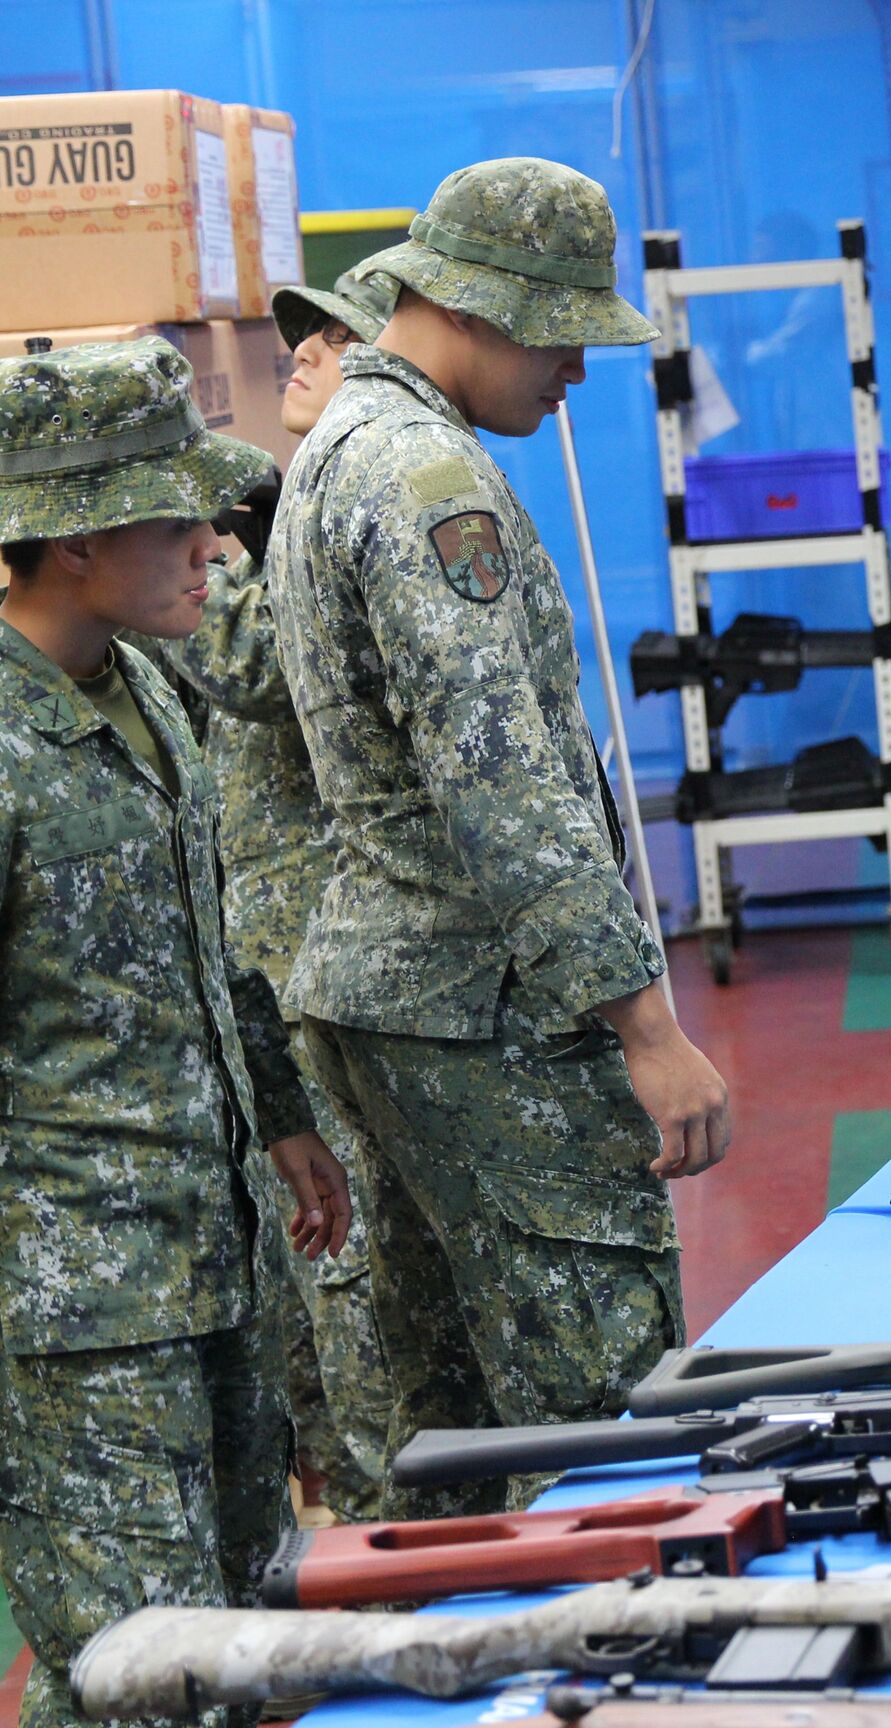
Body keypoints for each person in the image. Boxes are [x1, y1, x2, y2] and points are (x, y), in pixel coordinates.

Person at [267, 158, 732, 1518]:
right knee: (608, 1422)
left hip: (389, 994)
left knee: (444, 1427)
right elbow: (500, 779)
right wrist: (645, 1024)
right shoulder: (425, 478)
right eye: (560, 334)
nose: (576, 371)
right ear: (475, 307)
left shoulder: (339, 446)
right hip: (487, 1012)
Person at [0, 337, 352, 1728]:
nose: (214, 543)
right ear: (74, 542)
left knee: (234, 1636)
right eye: (174, 521)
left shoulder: (145, 687)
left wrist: (283, 1115)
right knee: (130, 1669)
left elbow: (207, 941)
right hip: (77, 1305)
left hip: (213, 1253)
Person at [156, 262, 406, 1520]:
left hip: (325, 961)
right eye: (295, 336)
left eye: (333, 338)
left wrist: (195, 546)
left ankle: (376, 1546)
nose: (299, 352)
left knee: (344, 1271)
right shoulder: (288, 506)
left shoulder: (347, 510)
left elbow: (258, 667)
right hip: (259, 965)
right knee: (297, 1287)